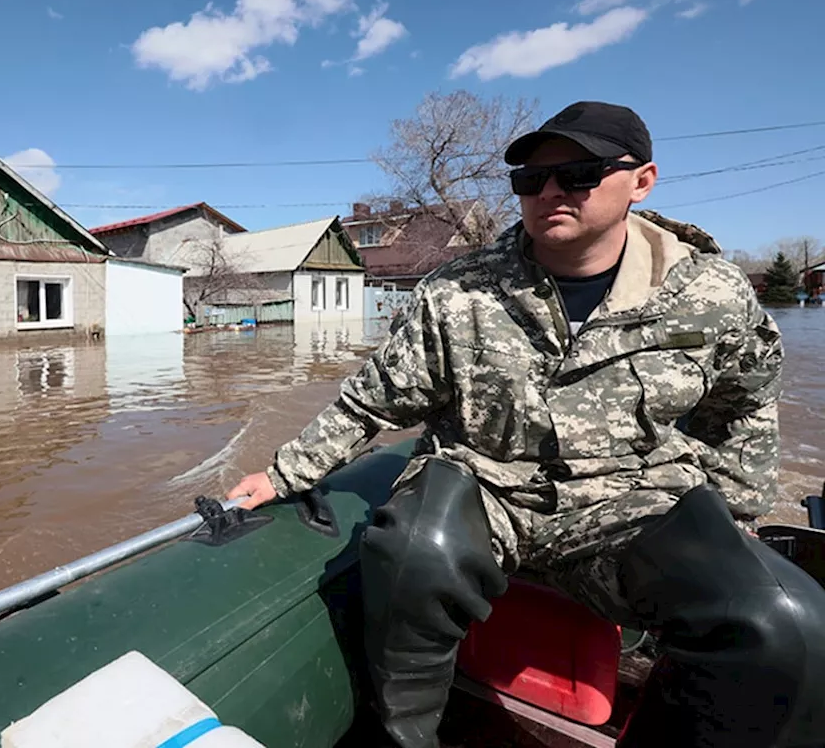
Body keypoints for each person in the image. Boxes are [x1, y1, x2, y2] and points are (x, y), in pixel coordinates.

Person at [227, 101, 825, 748]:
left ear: (642, 179)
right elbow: (373, 400)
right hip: (485, 485)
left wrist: (730, 504)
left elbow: (747, 392)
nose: (549, 192)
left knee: (787, 624)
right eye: (530, 180)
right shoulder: (460, 292)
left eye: (578, 173)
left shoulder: (708, 291)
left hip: (634, 498)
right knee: (410, 554)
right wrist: (286, 472)